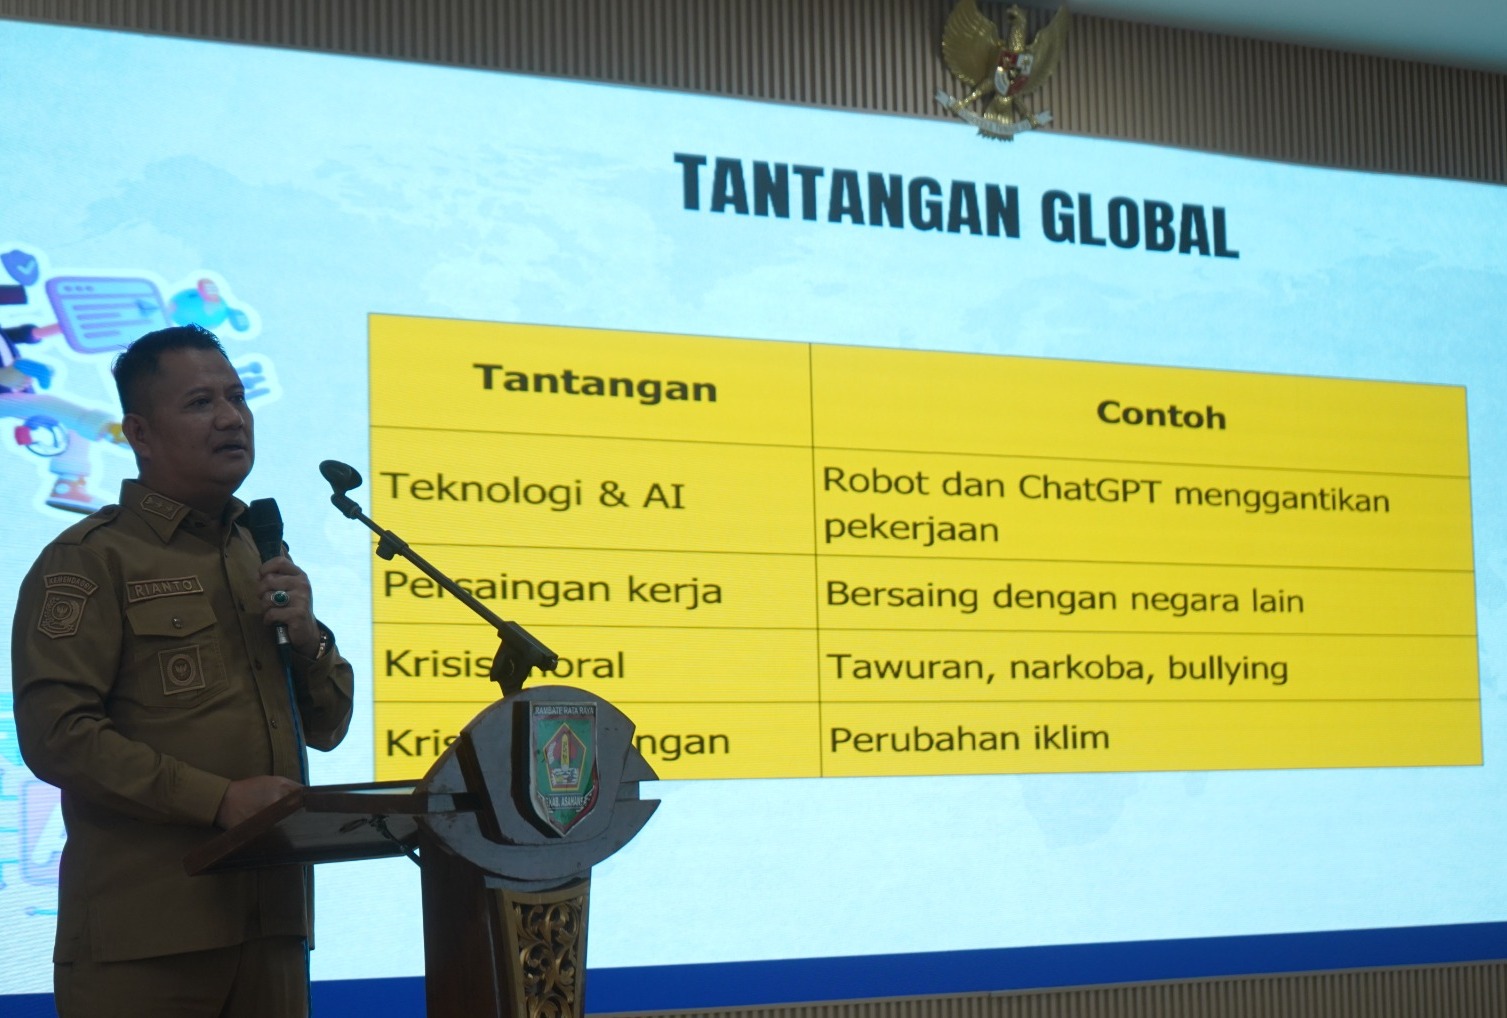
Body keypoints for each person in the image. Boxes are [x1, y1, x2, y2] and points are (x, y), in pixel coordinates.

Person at [10, 324, 354, 1017]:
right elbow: (57, 737)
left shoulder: (260, 551)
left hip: (273, 926)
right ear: (139, 432)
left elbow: (327, 728)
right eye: (201, 403)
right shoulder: (91, 559)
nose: (231, 418)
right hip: (146, 941)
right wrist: (218, 801)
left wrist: (307, 638)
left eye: (237, 397)